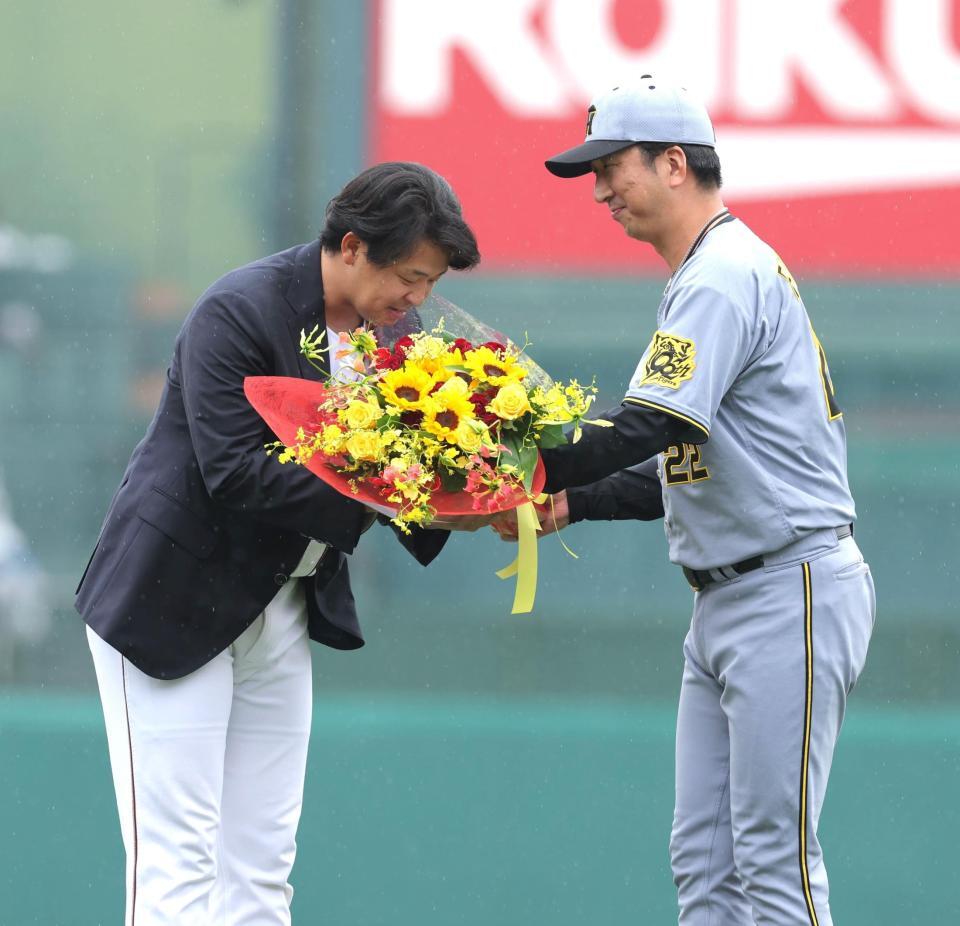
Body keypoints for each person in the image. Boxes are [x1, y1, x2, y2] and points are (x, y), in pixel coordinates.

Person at [500, 78, 876, 924]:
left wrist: (522, 461)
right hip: (730, 595)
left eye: (611, 166)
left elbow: (642, 427)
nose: (599, 190)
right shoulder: (710, 272)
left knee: (774, 863)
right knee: (706, 868)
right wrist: (575, 502)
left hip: (790, 587)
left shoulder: (721, 274)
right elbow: (682, 457)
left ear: (675, 163)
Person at [76, 162, 483, 925]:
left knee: (262, 871)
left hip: (281, 605)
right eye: (410, 275)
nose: (418, 298)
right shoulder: (241, 308)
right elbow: (235, 472)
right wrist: (389, 498)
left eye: (430, 282)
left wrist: (459, 502)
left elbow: (410, 471)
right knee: (177, 866)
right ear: (354, 246)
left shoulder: (399, 337)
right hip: (171, 601)